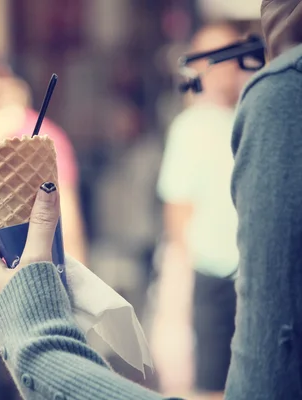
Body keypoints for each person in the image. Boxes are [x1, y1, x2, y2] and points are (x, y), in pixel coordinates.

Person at [0, 2, 302, 399]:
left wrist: (31, 328)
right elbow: (179, 212)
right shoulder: (199, 124)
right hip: (212, 271)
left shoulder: (282, 96)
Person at [0, 59, 88, 400]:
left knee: (29, 375)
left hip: (32, 271)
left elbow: (64, 206)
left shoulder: (42, 134)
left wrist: (75, 273)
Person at [152, 24, 248, 399]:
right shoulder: (189, 127)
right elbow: (177, 214)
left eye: (230, 57)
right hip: (210, 276)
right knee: (208, 384)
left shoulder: (252, 115)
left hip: (254, 275)